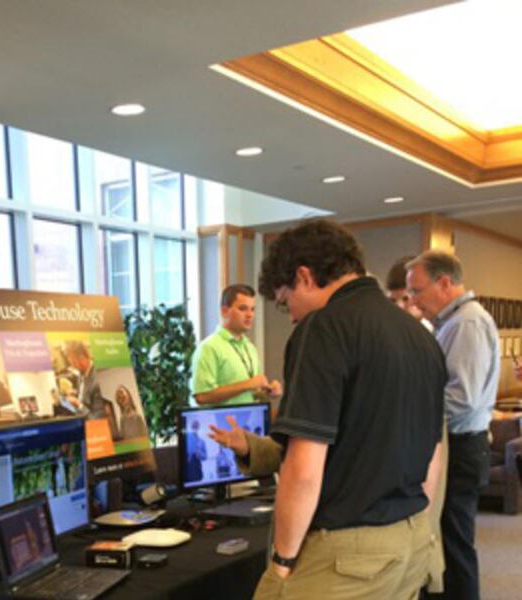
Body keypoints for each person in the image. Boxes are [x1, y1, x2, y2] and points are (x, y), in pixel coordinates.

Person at [210, 219, 446, 600]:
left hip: (347, 556)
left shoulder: (322, 329)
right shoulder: (421, 337)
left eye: (285, 302)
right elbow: (433, 454)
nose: (291, 317)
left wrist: (282, 564)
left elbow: (304, 467)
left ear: (304, 276)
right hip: (413, 539)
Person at [407, 250, 499, 600]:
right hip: (456, 445)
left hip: (461, 448)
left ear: (444, 283)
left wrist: (409, 417)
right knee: (446, 545)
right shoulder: (452, 323)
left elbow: (462, 398)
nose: (413, 300)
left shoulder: (466, 323)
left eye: (417, 290)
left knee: (455, 547)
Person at [191, 284, 281, 406]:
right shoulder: (209, 347)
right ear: (224, 311)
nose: (249, 315)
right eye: (243, 309)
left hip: (249, 417)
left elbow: (251, 393)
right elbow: (202, 396)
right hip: (222, 419)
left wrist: (268, 391)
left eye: (252, 309)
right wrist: (248, 384)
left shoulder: (250, 347)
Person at [63, 341, 105, 419]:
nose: (73, 367)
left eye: (74, 363)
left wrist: (78, 404)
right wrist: (76, 393)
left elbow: (96, 419)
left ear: (82, 359)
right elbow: (86, 395)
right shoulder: (81, 374)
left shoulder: (97, 383)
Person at [184, 419, 207, 483]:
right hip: (187, 468)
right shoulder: (186, 439)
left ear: (199, 428)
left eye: (196, 426)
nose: (195, 428)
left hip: (197, 469)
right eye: (194, 426)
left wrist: (199, 453)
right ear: (191, 427)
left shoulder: (201, 441)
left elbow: (205, 456)